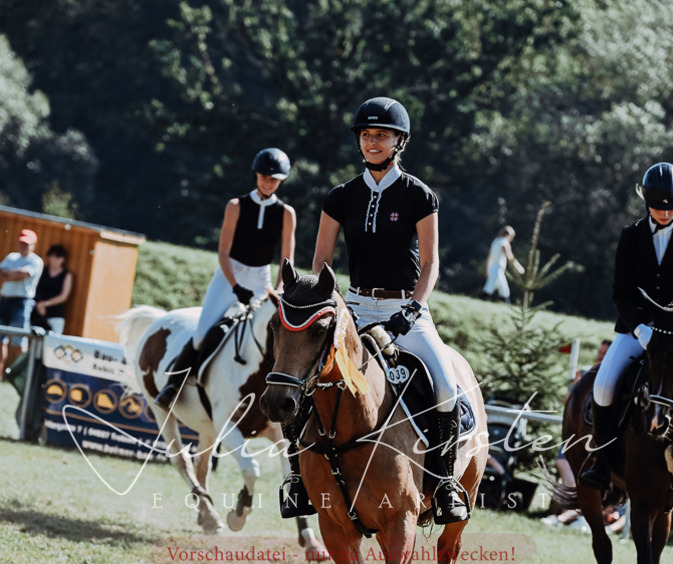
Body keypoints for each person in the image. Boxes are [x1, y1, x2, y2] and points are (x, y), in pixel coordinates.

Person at [308, 95, 468, 523]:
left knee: (445, 388)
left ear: (399, 141)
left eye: (381, 135)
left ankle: (447, 484)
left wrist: (414, 309)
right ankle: (297, 480)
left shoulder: (420, 195)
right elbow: (321, 261)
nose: (372, 142)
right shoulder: (341, 196)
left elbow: (431, 264)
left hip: (405, 310)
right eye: (366, 135)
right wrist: (334, 306)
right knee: (307, 377)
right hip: (355, 307)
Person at [156, 148, 296, 411]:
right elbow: (222, 251)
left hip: (260, 277)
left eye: (274, 178)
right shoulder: (236, 205)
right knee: (201, 334)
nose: (268, 181)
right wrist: (235, 287)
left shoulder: (286, 213)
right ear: (256, 174)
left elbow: (286, 259)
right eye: (264, 176)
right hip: (229, 273)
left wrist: (277, 290)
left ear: (282, 181)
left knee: (268, 336)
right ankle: (173, 385)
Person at [580, 161, 673, 489]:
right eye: (657, 208)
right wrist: (639, 327)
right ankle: (601, 460)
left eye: (671, 209)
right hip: (637, 330)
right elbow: (620, 292)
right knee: (603, 386)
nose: (664, 214)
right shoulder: (631, 236)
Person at [0, 228, 43, 377]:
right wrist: (14, 274)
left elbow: (19, 275)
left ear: (33, 245)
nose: (23, 246)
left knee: (19, 342)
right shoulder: (11, 257)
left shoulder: (36, 261)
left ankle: (19, 377)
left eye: (27, 244)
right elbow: (3, 273)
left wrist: (10, 274)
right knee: (0, 340)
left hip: (22, 303)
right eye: (22, 243)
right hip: (4, 301)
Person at [32, 244, 74, 335]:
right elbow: (33, 288)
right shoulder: (42, 271)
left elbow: (64, 296)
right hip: (37, 314)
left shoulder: (66, 275)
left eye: (58, 257)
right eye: (53, 256)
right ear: (48, 256)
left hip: (55, 315)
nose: (55, 259)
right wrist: (38, 304)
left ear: (63, 259)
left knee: (51, 344)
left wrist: (45, 304)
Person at [481, 226, 524, 302]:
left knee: (504, 290)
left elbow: (489, 257)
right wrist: (519, 268)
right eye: (511, 237)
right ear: (507, 234)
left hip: (493, 268)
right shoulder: (504, 243)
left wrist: (487, 269)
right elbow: (510, 257)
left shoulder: (495, 242)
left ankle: (506, 306)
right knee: (489, 289)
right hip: (497, 269)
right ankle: (481, 302)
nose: (512, 239)